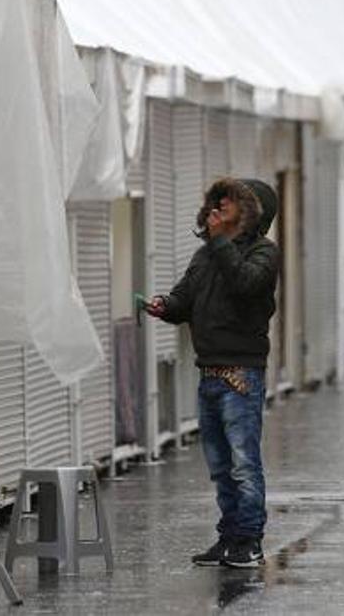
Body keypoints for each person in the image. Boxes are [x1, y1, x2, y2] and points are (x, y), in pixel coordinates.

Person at [145, 177, 280, 570]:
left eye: (232, 201)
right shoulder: (207, 255)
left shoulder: (263, 253)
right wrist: (164, 305)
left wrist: (220, 241)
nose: (220, 205)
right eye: (218, 199)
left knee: (243, 462)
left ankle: (250, 540)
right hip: (209, 373)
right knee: (221, 466)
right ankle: (229, 537)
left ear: (252, 213)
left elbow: (244, 285)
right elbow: (184, 298)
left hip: (241, 375)